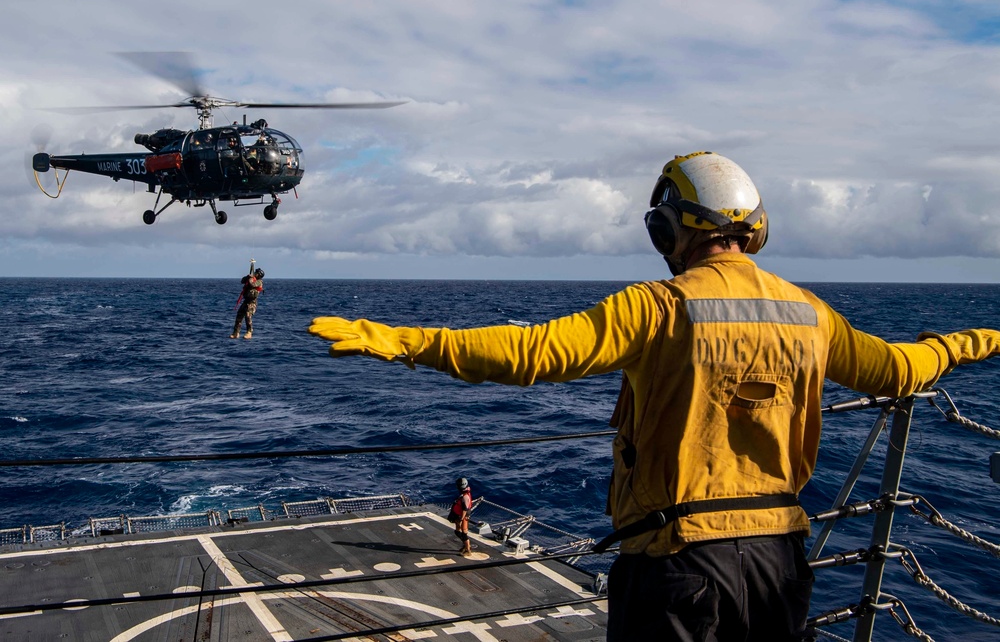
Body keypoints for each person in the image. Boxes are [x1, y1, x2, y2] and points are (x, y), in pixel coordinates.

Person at [307, 151, 1000, 641]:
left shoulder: (659, 308)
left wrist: (400, 339)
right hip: (780, 562)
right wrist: (979, 340)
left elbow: (529, 354)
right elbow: (903, 369)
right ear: (752, 229)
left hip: (680, 564)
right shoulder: (810, 315)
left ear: (668, 230)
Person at [231, 266, 264, 339]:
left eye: (256, 273)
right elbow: (242, 281)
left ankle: (249, 332)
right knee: (239, 316)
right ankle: (236, 332)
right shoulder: (251, 279)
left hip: (252, 303)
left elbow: (252, 284)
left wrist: (251, 278)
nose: (255, 273)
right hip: (246, 301)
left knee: (248, 316)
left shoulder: (259, 282)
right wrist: (247, 277)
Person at [449, 477, 473, 556]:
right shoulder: (464, 494)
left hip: (462, 517)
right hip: (458, 515)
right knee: (457, 532)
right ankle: (466, 545)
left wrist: (461, 519)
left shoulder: (465, 497)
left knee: (464, 534)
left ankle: (468, 550)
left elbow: (465, 509)